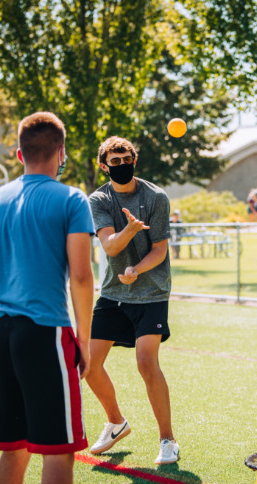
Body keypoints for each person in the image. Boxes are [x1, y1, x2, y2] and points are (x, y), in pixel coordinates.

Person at [0, 112, 94, 484]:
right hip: (44, 332)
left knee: (11, 446)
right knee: (58, 448)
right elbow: (82, 276)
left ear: (19, 154)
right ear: (61, 153)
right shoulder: (72, 199)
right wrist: (84, 342)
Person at [86, 136, 179, 465]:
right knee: (89, 365)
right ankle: (115, 422)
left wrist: (136, 269)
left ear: (134, 161)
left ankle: (167, 440)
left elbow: (160, 250)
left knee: (145, 361)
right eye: (115, 161)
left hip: (151, 291)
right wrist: (129, 230)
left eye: (127, 159)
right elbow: (110, 245)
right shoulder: (98, 199)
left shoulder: (155, 196)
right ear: (104, 166)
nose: (122, 165)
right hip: (113, 293)